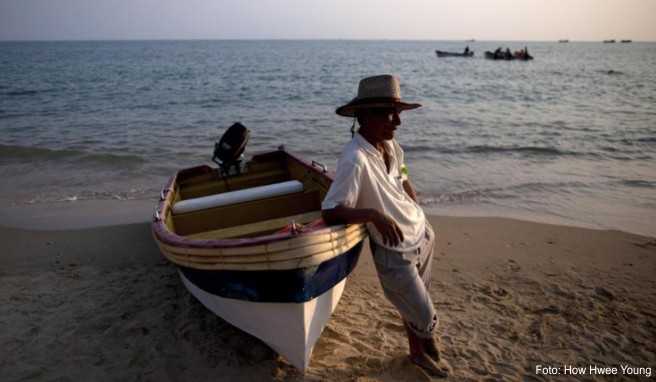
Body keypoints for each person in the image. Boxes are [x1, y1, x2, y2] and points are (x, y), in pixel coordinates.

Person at [322, 74, 449, 377]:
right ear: (363, 116)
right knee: (423, 312)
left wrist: (417, 209)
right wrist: (374, 216)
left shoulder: (393, 147)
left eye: (398, 114)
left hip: (422, 235)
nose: (397, 122)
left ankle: (416, 355)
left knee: (411, 308)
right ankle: (427, 349)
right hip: (394, 250)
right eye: (387, 114)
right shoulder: (354, 159)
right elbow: (331, 210)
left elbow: (403, 177)